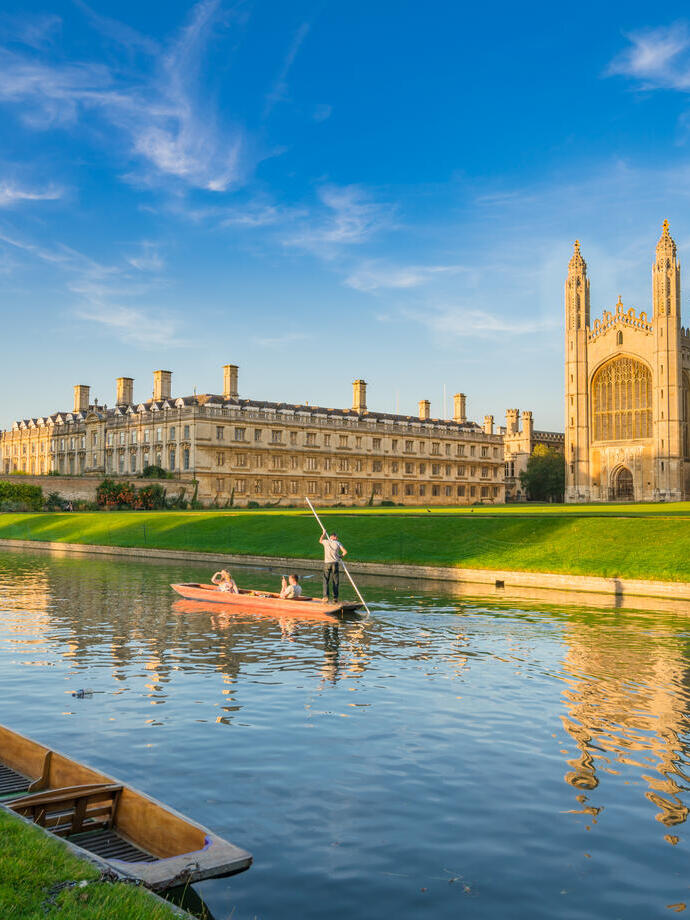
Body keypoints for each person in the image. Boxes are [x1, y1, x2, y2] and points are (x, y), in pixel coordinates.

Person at [319, 530, 346, 602]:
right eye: (336, 536)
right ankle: (335, 597)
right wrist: (340, 557)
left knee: (325, 580)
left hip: (327, 563)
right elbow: (345, 552)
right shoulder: (338, 543)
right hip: (335, 563)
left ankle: (326, 597)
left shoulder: (326, 542)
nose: (337, 538)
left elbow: (320, 540)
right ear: (333, 536)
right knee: (335, 581)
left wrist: (323, 533)